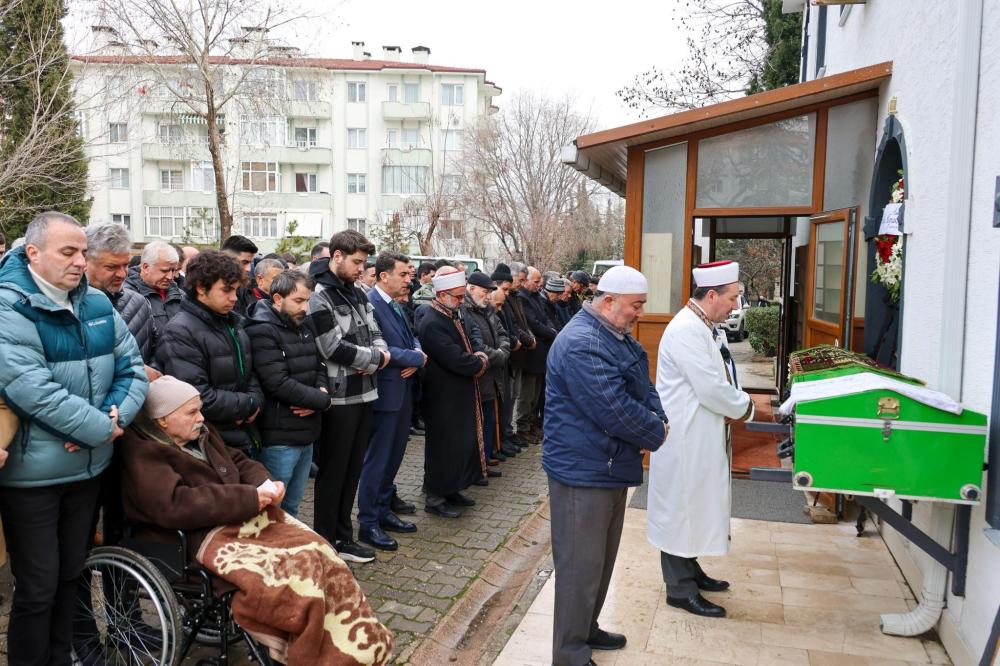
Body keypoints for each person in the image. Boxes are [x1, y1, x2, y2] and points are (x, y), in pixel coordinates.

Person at [119, 376, 394, 665]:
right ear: (162, 420)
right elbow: (175, 505)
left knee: (321, 552)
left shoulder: (199, 432)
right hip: (201, 536)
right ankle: (313, 652)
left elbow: (237, 459)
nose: (201, 417)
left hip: (241, 519)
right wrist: (249, 497)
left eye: (199, 409)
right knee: (296, 575)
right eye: (191, 412)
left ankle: (358, 645)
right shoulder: (145, 452)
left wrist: (265, 482)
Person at [0, 212, 148, 666]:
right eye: (68, 252)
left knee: (70, 577)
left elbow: (133, 370)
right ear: (33, 253)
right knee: (38, 586)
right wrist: (99, 429)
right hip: (34, 477)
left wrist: (114, 416)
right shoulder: (9, 309)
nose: (80, 261)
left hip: (87, 469)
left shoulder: (98, 305)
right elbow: (31, 390)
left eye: (83, 252)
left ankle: (60, 657)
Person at [544, 265, 667, 666]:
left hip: (607, 466)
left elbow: (644, 385)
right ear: (608, 301)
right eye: (636, 306)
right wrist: (656, 431)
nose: (640, 314)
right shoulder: (582, 342)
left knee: (599, 562)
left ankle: (587, 628)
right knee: (579, 567)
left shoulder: (615, 335)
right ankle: (570, 654)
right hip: (583, 473)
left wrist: (656, 417)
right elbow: (613, 409)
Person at [648, 260, 754, 619]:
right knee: (682, 509)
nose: (735, 306)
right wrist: (748, 408)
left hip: (700, 433)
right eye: (732, 298)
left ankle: (690, 571)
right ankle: (679, 589)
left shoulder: (704, 325)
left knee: (693, 506)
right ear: (711, 295)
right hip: (684, 438)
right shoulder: (685, 331)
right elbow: (711, 388)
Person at [308, 230, 389, 563]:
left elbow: (376, 332)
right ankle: (327, 542)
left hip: (365, 393)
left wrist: (379, 355)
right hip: (339, 400)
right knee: (333, 472)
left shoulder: (357, 292)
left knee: (353, 469)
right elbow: (331, 347)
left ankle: (344, 536)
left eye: (364, 263)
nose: (361, 269)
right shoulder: (318, 295)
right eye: (357, 262)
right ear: (336, 256)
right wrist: (375, 359)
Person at [156, 250, 263, 455]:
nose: (233, 298)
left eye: (236, 290)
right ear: (201, 289)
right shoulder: (180, 331)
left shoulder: (234, 323)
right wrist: (248, 403)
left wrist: (255, 400)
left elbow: (250, 373)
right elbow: (196, 395)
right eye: (226, 291)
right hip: (212, 441)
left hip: (243, 435)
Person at [246, 270, 331, 517]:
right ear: (277, 298)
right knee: (273, 510)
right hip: (279, 438)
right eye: (298, 301)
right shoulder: (262, 330)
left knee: (292, 507)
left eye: (307, 301)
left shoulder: (303, 326)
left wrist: (321, 393)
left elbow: (320, 365)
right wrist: (323, 400)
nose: (305, 307)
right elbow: (277, 382)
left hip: (306, 433)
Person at [357, 252, 426, 552]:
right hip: (384, 395)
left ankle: (384, 509)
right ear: (384, 276)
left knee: (394, 457)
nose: (409, 280)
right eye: (404, 275)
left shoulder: (397, 305)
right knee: (378, 460)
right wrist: (416, 357)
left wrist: (418, 354)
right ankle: (368, 522)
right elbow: (378, 348)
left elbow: (412, 339)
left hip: (401, 392)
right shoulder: (371, 304)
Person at [417, 267, 490, 518]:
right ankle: (436, 496)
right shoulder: (432, 321)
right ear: (443, 294)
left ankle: (452, 488)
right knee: (444, 447)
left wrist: (478, 354)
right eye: (458, 297)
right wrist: (480, 362)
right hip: (442, 397)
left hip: (458, 392)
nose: (462, 301)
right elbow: (455, 358)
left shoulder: (451, 314)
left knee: (459, 445)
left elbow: (471, 340)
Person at [85, 223, 157, 366]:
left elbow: (155, 353)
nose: (122, 274)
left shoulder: (139, 303)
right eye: (111, 267)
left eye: (126, 265)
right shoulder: (66, 307)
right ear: (84, 261)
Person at [464, 272, 511, 471]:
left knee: (490, 419)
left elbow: (503, 334)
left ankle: (486, 458)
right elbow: (477, 345)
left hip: (493, 377)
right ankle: (477, 463)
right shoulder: (466, 311)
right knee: (479, 423)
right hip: (480, 375)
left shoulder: (487, 310)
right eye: (485, 291)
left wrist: (503, 350)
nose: (487, 296)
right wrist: (498, 355)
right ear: (471, 288)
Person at [515, 267, 557, 441]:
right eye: (536, 281)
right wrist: (553, 333)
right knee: (527, 394)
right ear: (526, 281)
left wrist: (552, 330)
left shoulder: (536, 296)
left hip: (542, 351)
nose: (540, 285)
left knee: (538, 393)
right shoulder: (522, 298)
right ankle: (523, 427)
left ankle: (532, 424)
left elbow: (544, 318)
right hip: (532, 352)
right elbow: (533, 323)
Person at [490, 264, 525, 457]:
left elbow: (510, 327)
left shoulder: (507, 301)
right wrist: (510, 343)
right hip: (499, 362)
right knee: (503, 403)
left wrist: (513, 341)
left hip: (509, 357)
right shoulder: (491, 306)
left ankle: (504, 437)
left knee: (509, 400)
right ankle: (499, 441)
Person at [124, 240, 183, 337]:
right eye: (164, 271)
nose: (170, 276)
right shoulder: (126, 296)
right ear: (146, 267)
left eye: (173, 270)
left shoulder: (180, 295)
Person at [221, 234, 259, 316]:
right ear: (226, 259)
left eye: (250, 263)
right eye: (244, 262)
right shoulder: (212, 290)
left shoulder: (248, 288)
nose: (248, 269)